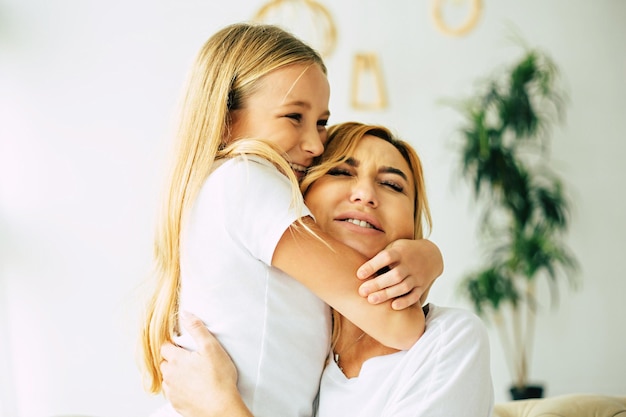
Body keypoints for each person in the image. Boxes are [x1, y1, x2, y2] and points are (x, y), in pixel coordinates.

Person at [140, 23, 444, 417]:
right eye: (293, 117)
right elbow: (400, 324)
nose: (317, 145)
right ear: (227, 118)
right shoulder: (248, 180)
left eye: (320, 122)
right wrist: (429, 256)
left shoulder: (219, 189)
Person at [159, 122, 494, 417]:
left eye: (392, 185)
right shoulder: (295, 352)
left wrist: (221, 409)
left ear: (412, 222)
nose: (365, 195)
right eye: (341, 172)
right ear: (298, 201)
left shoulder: (448, 339)